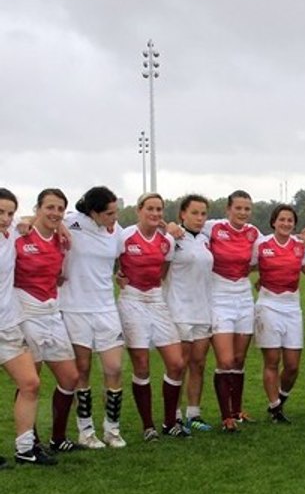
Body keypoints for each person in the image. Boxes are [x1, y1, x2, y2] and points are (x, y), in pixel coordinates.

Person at [60, 186, 126, 448]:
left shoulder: (116, 230)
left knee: (114, 368)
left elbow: (122, 256)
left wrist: (121, 273)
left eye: (116, 212)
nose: (114, 217)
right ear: (94, 212)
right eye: (109, 213)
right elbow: (35, 223)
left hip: (106, 307)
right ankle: (85, 431)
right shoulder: (70, 223)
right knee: (83, 370)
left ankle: (112, 429)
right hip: (75, 307)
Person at [14, 188, 79, 452]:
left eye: (60, 209)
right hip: (26, 311)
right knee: (31, 380)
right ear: (38, 208)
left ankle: (58, 438)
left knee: (70, 378)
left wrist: (62, 225)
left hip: (52, 312)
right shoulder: (21, 235)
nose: (55, 213)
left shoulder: (61, 240)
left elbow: (60, 276)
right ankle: (30, 440)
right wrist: (26, 221)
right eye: (49, 207)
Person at [117, 193, 186, 441]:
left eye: (159, 209)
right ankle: (148, 426)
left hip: (156, 300)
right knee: (142, 366)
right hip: (132, 301)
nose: (155, 214)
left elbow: (164, 268)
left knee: (177, 364)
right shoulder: (124, 236)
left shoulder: (166, 239)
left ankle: (170, 422)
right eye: (150, 209)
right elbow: (109, 261)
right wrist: (118, 276)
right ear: (139, 210)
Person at [0, 189, 51, 466]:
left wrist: (60, 226)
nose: (6, 218)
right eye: (0, 212)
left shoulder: (12, 235)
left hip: (8, 325)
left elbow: (45, 218)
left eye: (9, 213)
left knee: (30, 383)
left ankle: (25, 449)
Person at [206, 190, 259, 431]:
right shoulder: (213, 228)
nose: (243, 213)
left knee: (238, 360)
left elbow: (265, 256)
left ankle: (237, 412)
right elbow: (186, 231)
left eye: (247, 209)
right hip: (219, 298)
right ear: (228, 209)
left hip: (244, 298)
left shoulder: (253, 233)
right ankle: (225, 415)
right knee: (225, 360)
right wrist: (174, 227)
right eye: (238, 208)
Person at [163, 194, 215, 433]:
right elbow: (160, 272)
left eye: (203, 213)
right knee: (178, 365)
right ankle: (172, 416)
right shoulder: (173, 239)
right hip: (179, 310)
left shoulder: (205, 239)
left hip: (203, 310)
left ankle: (193, 413)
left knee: (199, 364)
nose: (200, 218)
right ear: (182, 214)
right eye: (194, 213)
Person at [254, 204, 305, 424]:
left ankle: (279, 400)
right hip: (268, 305)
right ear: (273, 222)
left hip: (292, 306)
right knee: (272, 360)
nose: (286, 224)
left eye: (290, 220)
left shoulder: (301, 245)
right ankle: (275, 408)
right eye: (281, 219)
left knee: (293, 365)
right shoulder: (261, 244)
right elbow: (245, 267)